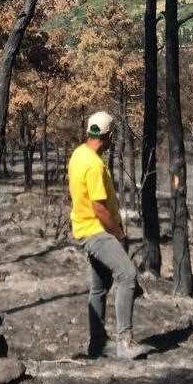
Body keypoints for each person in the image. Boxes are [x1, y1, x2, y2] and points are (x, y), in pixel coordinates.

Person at [68, 111, 150, 361]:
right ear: (110, 136)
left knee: (100, 286)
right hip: (96, 231)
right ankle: (124, 342)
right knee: (128, 276)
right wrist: (119, 232)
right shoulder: (93, 164)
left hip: (84, 228)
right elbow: (99, 208)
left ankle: (97, 344)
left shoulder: (79, 154)